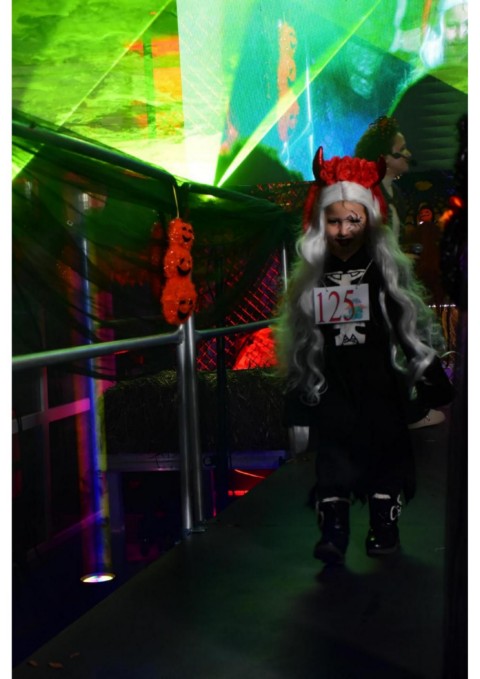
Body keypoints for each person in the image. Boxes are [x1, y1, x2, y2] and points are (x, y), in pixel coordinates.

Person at [274, 149, 451, 565]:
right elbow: (301, 339)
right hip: (333, 383)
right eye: (334, 221)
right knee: (333, 457)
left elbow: (409, 326)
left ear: (369, 220)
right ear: (321, 223)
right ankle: (333, 531)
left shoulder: (384, 271)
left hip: (380, 384)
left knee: (386, 454)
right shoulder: (312, 278)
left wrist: (431, 379)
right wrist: (298, 392)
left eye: (352, 220)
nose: (343, 230)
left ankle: (383, 526)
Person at [354, 115, 446, 429]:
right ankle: (409, 412)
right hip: (378, 289)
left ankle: (411, 407)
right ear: (384, 157)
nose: (408, 154)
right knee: (397, 344)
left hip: (389, 286)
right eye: (401, 148)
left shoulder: (389, 195)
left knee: (404, 342)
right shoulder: (371, 196)